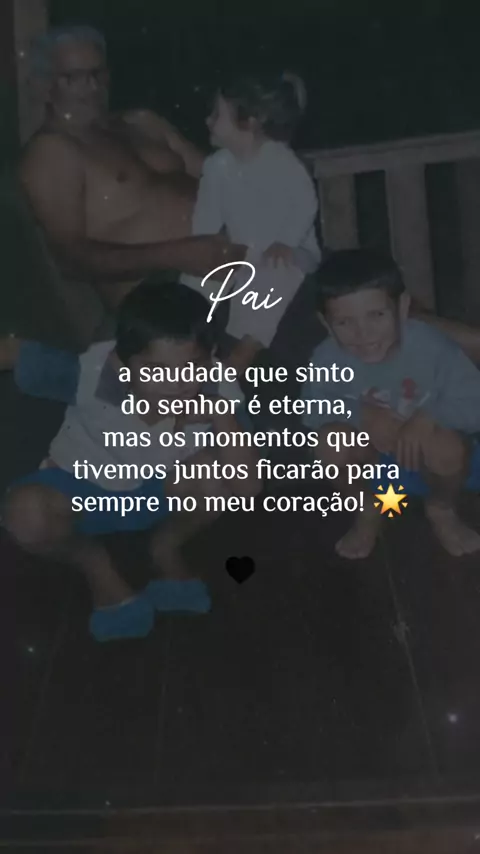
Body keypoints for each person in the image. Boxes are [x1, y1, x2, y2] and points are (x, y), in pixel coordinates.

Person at [2, 283, 260, 642]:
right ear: (120, 363)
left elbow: (247, 488)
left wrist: (220, 416)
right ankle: (97, 566)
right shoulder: (88, 374)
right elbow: (15, 352)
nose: (177, 384)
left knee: (216, 481)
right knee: (24, 516)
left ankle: (166, 546)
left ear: (211, 357)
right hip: (80, 488)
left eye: (192, 367)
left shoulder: (219, 390)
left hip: (160, 491)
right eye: (156, 370)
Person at [302, 249, 480, 560]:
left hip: (437, 464)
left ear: (402, 307)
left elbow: (474, 404)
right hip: (374, 467)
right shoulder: (326, 357)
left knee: (447, 447)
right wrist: (360, 414)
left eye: (377, 316)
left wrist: (428, 417)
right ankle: (367, 508)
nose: (363, 334)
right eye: (344, 322)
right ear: (326, 324)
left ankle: (442, 509)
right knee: (329, 443)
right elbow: (311, 410)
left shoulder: (434, 348)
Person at [180, 71, 321, 374]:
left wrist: (286, 241)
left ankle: (249, 344)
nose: (207, 121)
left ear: (250, 121)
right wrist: (203, 248)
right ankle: (187, 342)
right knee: (195, 279)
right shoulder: (216, 167)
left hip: (291, 252)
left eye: (216, 114)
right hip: (244, 252)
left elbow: (304, 204)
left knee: (275, 274)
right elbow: (207, 214)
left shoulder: (281, 161)